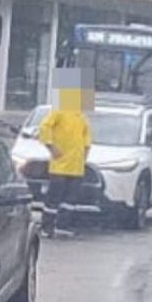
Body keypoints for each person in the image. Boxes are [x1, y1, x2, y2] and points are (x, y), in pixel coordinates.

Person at [38, 68, 93, 238]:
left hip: (76, 167)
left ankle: (63, 226)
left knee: (70, 201)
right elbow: (44, 127)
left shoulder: (81, 116)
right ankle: (47, 227)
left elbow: (86, 137)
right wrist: (50, 146)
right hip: (60, 166)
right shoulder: (59, 110)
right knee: (53, 199)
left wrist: (85, 154)